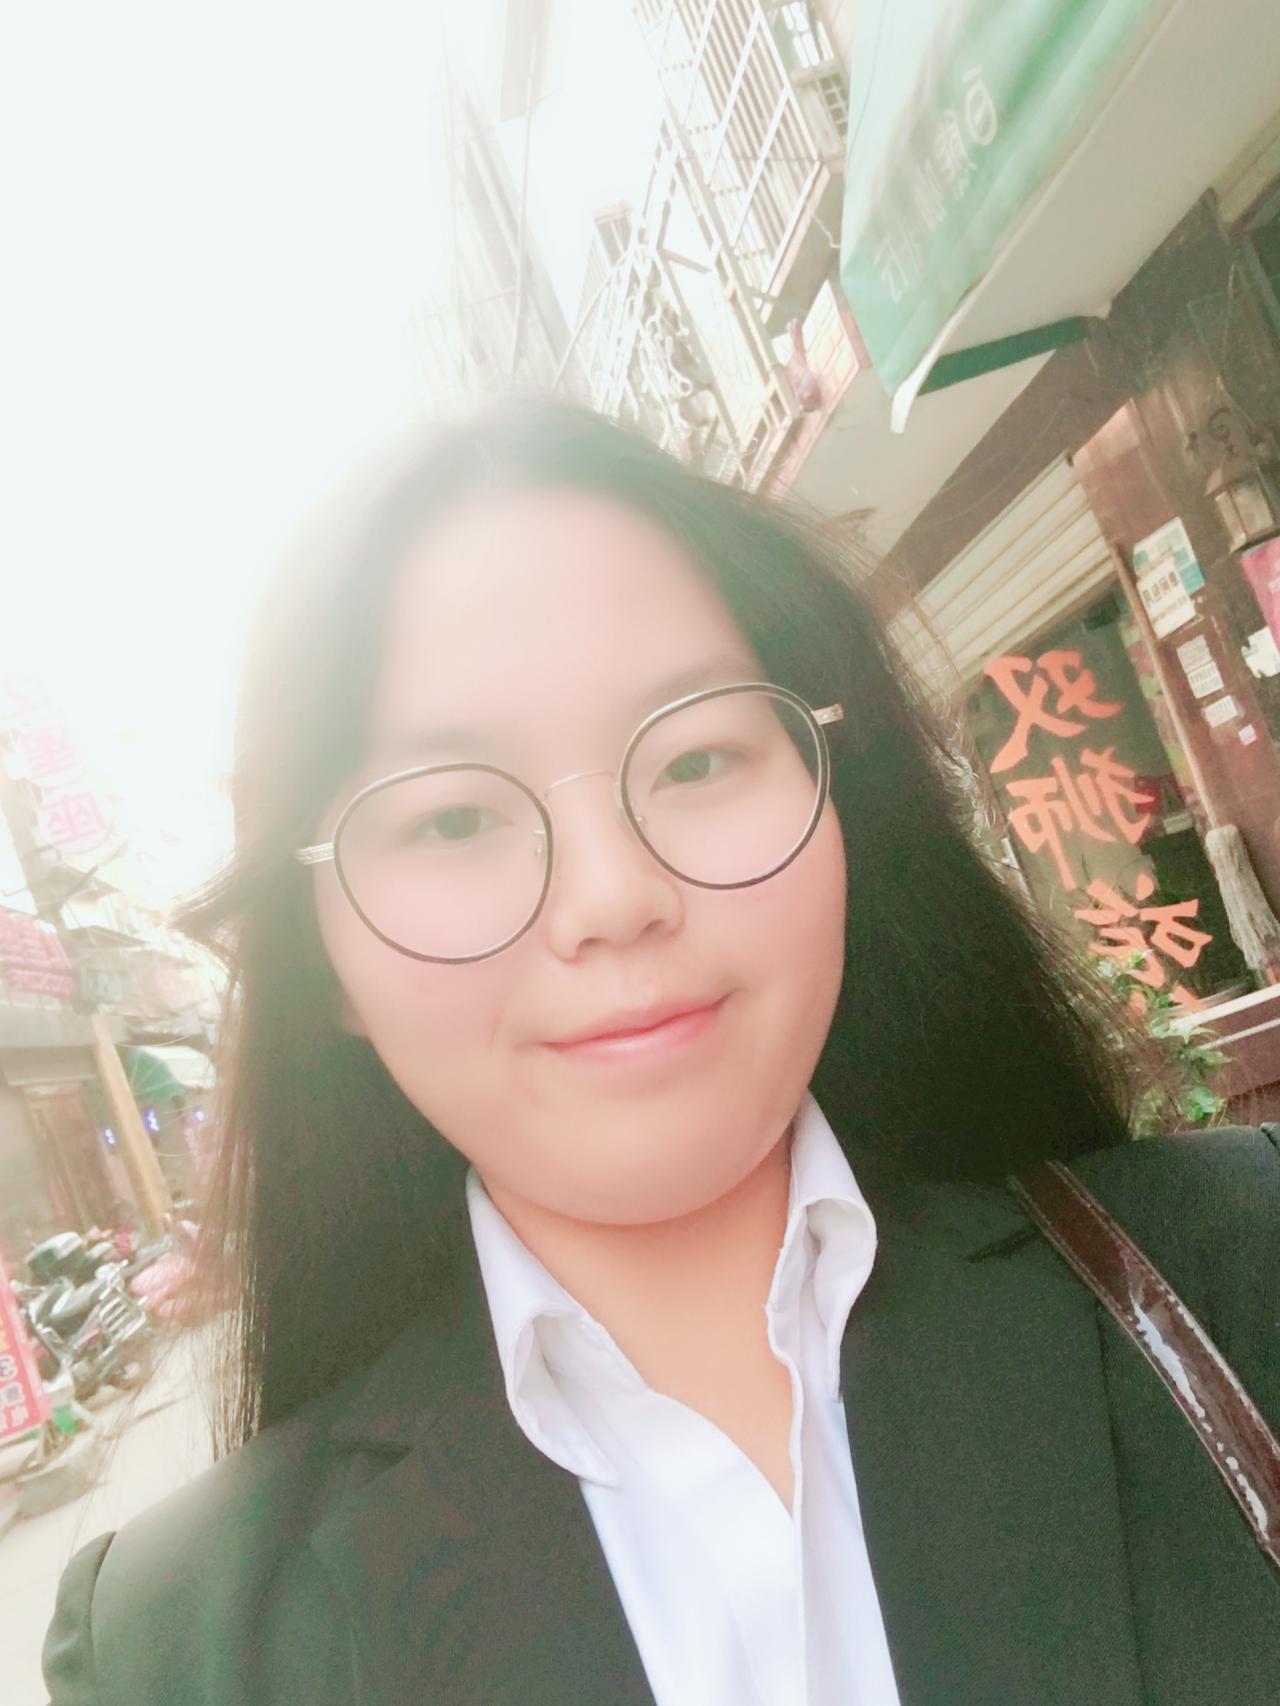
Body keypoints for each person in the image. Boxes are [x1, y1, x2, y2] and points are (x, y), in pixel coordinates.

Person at [43, 398, 1279, 1705]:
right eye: (453, 819)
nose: (611, 896)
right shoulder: (178, 1646)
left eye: (694, 759)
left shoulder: (1242, 1273)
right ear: (325, 965)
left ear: (838, 808)